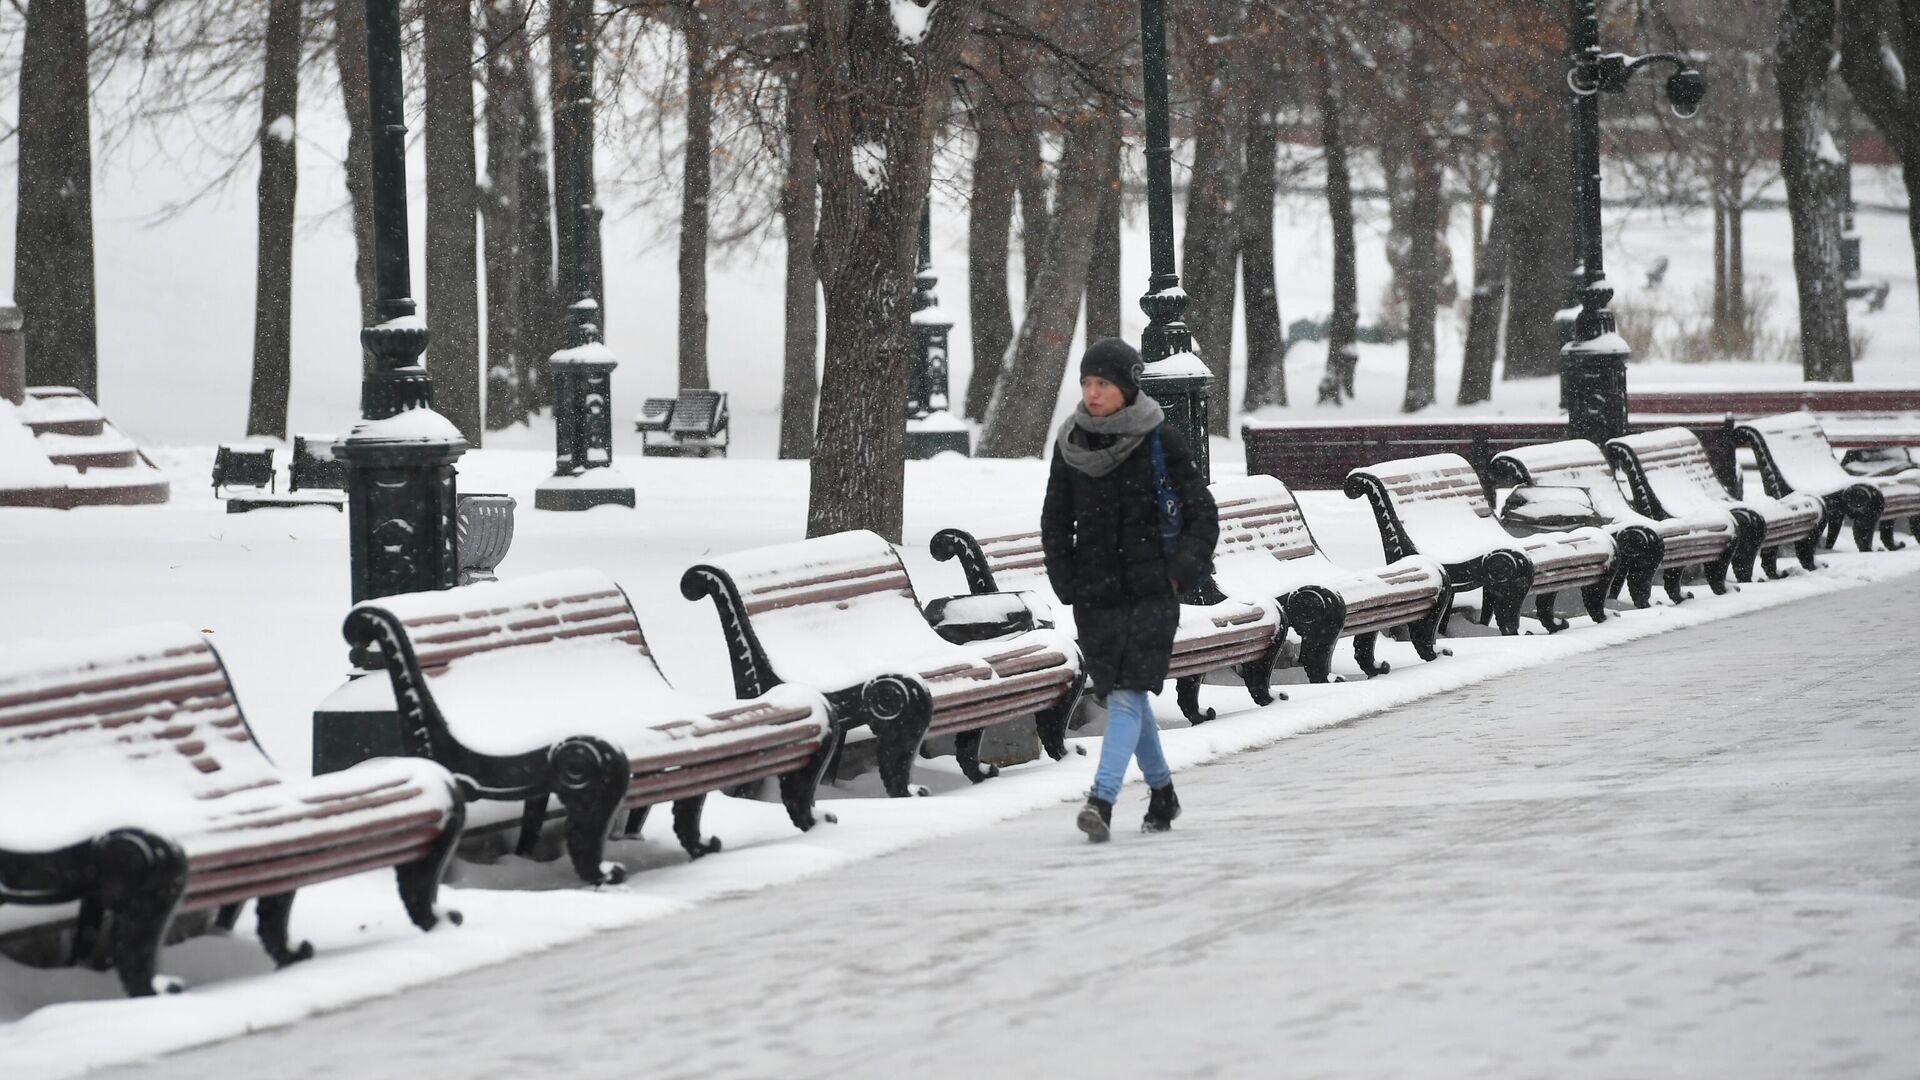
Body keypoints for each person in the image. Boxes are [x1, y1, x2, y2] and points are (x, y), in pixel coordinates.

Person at [1041, 338, 1218, 842]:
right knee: (1129, 698)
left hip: (1151, 590)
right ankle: (1162, 794)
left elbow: (1202, 515)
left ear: (1125, 388)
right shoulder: (1071, 443)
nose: (1092, 394)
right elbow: (1055, 519)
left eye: (1103, 384)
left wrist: (1179, 571)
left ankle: (1101, 799)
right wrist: (1066, 577)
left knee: (1126, 693)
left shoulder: (1161, 440)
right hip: (1095, 594)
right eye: (1086, 384)